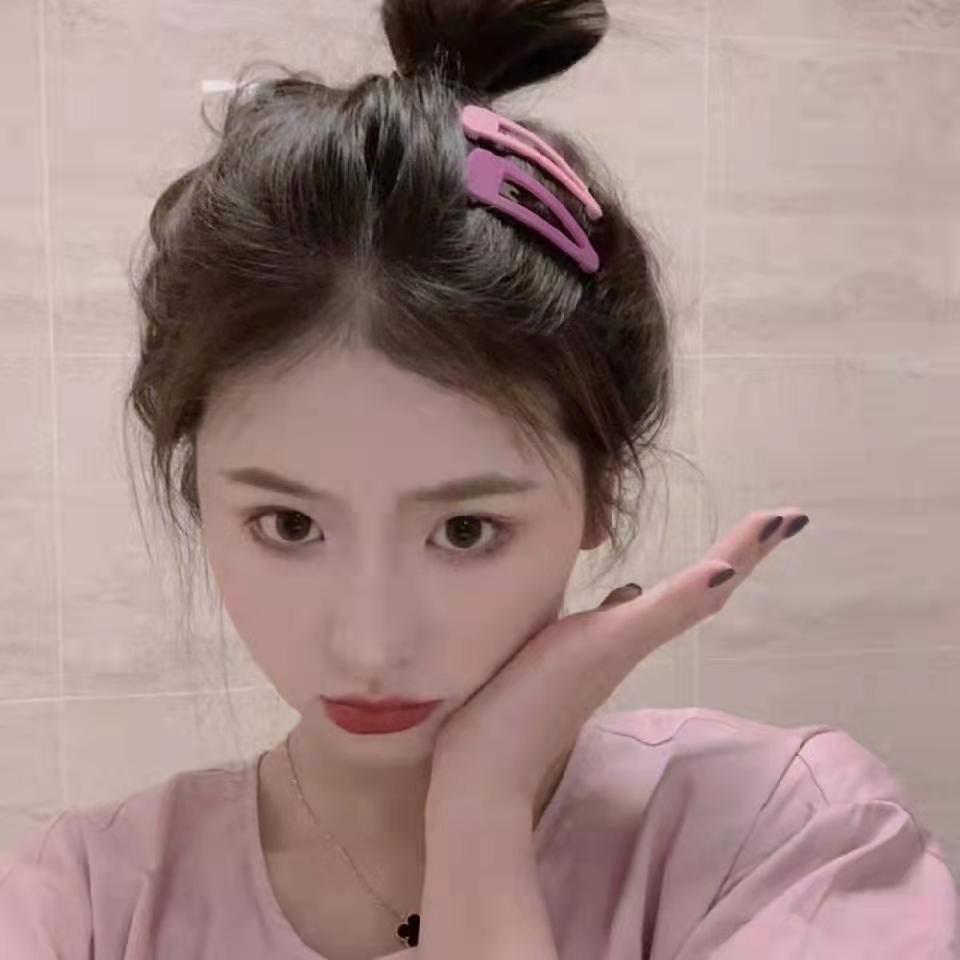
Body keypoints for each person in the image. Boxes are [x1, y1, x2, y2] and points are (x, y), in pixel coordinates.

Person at [1, 0, 958, 957]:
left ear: (603, 492)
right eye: (289, 524)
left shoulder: (790, 841)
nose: (370, 644)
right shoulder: (80, 906)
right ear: (197, 494)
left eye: (465, 530)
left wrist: (482, 811)